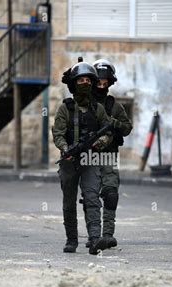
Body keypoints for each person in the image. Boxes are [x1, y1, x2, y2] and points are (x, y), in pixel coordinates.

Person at [52, 59, 112, 255]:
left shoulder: (98, 109)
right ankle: (71, 239)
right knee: (69, 202)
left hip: (91, 160)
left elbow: (108, 132)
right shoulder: (65, 109)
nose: (85, 83)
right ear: (73, 84)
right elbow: (58, 134)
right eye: (81, 80)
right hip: (70, 162)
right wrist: (65, 149)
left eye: (88, 80)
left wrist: (100, 143)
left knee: (92, 198)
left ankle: (95, 240)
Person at [83, 59, 133, 249]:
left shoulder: (114, 105)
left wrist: (112, 124)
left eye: (105, 83)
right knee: (90, 197)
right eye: (99, 83)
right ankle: (93, 236)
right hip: (88, 156)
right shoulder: (85, 104)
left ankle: (108, 235)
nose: (102, 86)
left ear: (110, 83)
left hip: (109, 156)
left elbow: (127, 128)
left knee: (111, 194)